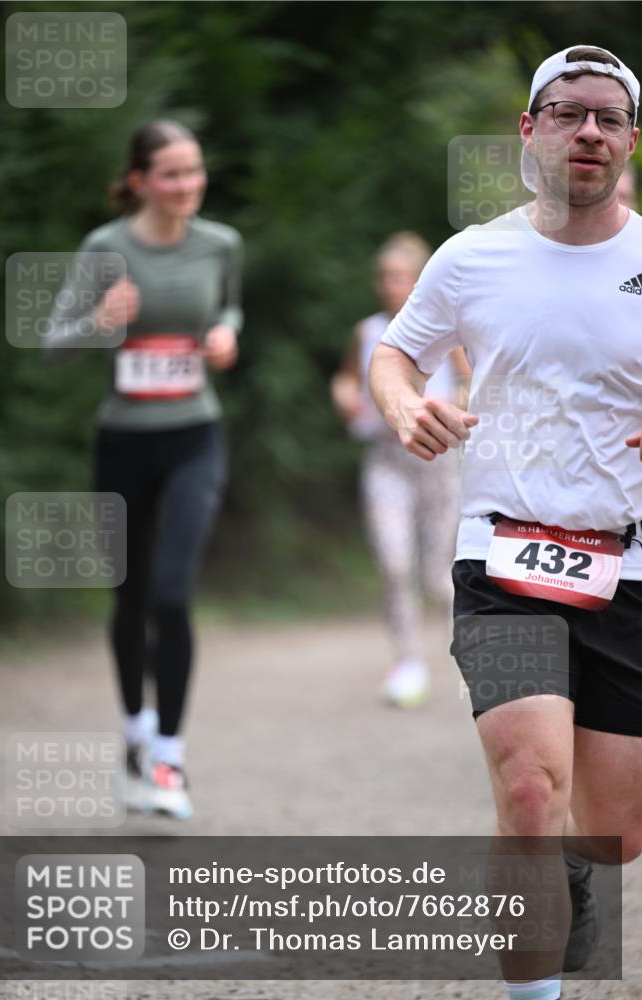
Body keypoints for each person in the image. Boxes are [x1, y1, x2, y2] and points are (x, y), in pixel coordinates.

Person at [369, 45, 641, 1000]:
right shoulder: (472, 255)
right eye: (567, 113)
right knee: (529, 793)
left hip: (626, 568)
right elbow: (397, 358)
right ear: (528, 130)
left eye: (608, 118)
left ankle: (566, 858)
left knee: (614, 830)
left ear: (630, 142)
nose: (588, 132)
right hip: (501, 554)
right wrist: (405, 408)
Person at [45, 120, 243, 820]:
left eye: (194, 171)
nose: (187, 185)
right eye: (171, 174)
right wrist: (100, 320)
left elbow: (228, 304)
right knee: (129, 598)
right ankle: (133, 732)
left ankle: (169, 755)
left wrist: (226, 334)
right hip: (123, 442)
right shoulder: (106, 249)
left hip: (194, 436)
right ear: (138, 181)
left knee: (169, 592)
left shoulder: (221, 244)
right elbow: (52, 345)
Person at [331, 233, 469, 706]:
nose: (388, 285)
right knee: (393, 565)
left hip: (438, 464)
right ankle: (407, 663)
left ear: (418, 281)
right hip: (385, 463)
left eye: (398, 276)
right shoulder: (368, 331)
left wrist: (447, 406)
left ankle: (468, 658)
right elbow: (348, 376)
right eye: (383, 277)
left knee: (437, 576)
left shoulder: (446, 330)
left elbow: (473, 384)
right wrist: (344, 394)